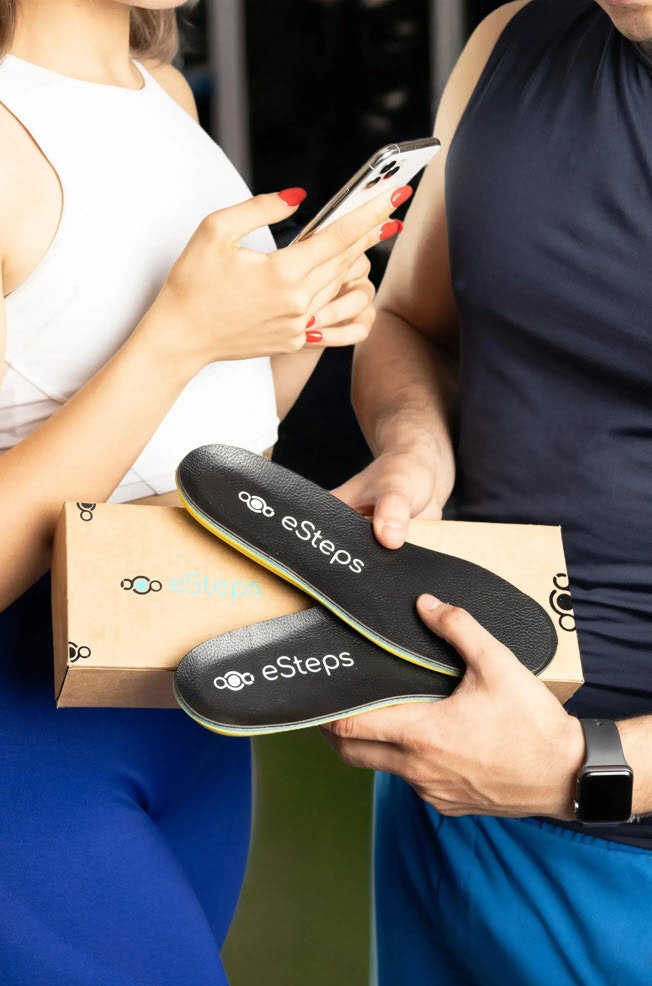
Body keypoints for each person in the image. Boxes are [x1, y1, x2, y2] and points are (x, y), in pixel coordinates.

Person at [0, 2, 407, 983]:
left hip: (192, 691)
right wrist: (179, 334)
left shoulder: (167, 96)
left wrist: (294, 326)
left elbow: (204, 437)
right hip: (28, 735)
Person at [323, 1, 652, 983]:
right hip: (445, 780)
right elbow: (410, 321)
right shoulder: (512, 40)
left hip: (620, 833)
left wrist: (581, 766)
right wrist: (414, 448)